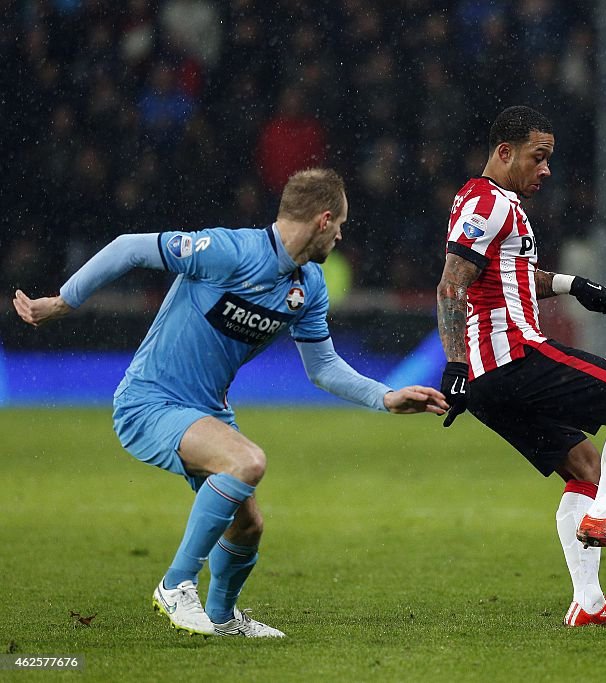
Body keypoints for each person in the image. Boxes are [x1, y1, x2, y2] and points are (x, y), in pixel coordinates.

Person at [13, 168, 447, 638]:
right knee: (247, 462)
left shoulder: (309, 286)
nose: (342, 234)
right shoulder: (228, 251)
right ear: (323, 220)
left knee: (248, 527)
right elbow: (127, 246)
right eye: (341, 223)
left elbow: (322, 367)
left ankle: (222, 618)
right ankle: (176, 585)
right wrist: (62, 303)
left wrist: (383, 396)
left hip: (206, 411)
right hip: (150, 401)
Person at [436, 106, 606, 628]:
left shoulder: (491, 204)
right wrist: (453, 361)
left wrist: (573, 286)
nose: (546, 170)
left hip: (487, 381)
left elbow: (511, 275)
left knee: (585, 467)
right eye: (538, 158)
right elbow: (452, 283)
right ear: (505, 153)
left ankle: (588, 603)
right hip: (515, 355)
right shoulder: (488, 201)